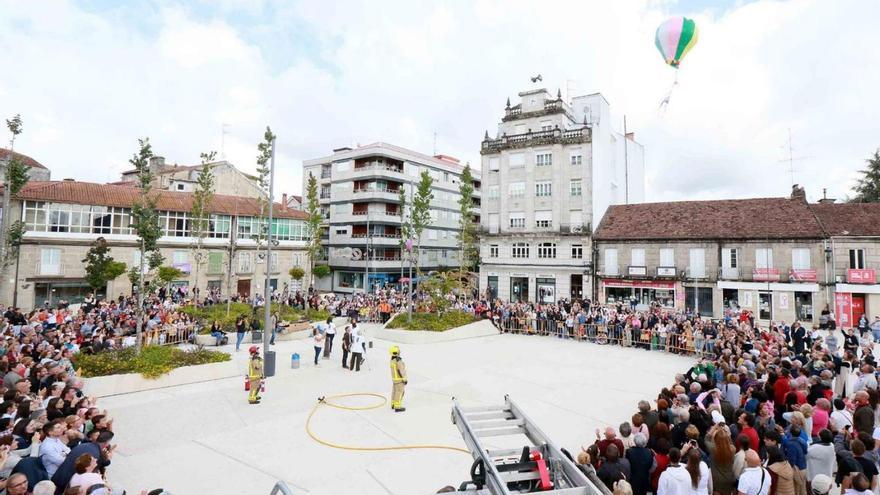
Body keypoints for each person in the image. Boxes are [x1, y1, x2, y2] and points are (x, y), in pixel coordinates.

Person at [390, 346, 407, 412]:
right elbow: (401, 371)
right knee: (399, 392)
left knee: (394, 391)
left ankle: (393, 404)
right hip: (399, 380)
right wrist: (404, 379)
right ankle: (397, 406)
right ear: (396, 352)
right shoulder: (398, 361)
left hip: (394, 379)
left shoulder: (392, 360)